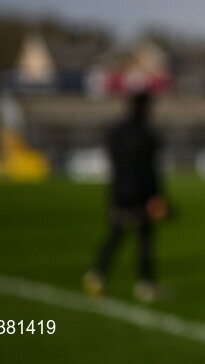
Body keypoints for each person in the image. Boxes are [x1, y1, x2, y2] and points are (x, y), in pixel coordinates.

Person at [82, 90, 168, 303]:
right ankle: (145, 285)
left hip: (119, 192)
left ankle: (96, 274)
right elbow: (150, 169)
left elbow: (115, 163)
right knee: (144, 239)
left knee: (116, 234)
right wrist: (157, 196)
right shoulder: (148, 134)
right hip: (141, 194)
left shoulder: (116, 132)